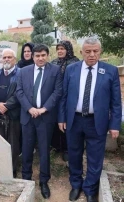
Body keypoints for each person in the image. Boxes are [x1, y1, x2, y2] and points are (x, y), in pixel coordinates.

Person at [58, 37, 121, 202]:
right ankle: (76, 185)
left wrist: (115, 125)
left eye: (95, 51)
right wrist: (61, 118)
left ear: (100, 52)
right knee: (74, 154)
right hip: (74, 120)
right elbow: (64, 97)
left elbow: (116, 102)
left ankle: (90, 188)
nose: (92, 55)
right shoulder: (71, 70)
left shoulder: (110, 71)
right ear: (81, 52)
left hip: (97, 122)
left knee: (95, 157)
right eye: (88, 51)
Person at [16, 44, 62, 199]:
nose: (40, 58)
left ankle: (44, 181)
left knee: (44, 150)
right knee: (27, 149)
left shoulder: (55, 71)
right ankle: (26, 178)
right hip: (28, 116)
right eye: (37, 56)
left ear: (47, 55)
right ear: (33, 57)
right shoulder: (23, 71)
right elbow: (19, 91)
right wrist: (30, 108)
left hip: (45, 117)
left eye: (43, 55)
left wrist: (43, 109)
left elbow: (57, 92)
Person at [0, 49, 21, 177]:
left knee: (13, 142)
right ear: (1, 59)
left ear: (14, 59)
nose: (7, 59)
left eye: (9, 57)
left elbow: (20, 92)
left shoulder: (20, 74)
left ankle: (11, 169)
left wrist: (6, 105)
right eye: (4, 57)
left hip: (13, 114)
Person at [51, 40, 80, 164]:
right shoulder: (54, 62)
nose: (60, 51)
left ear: (68, 49)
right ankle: (57, 146)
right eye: (58, 49)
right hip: (55, 98)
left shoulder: (75, 63)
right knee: (56, 123)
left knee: (67, 124)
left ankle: (67, 149)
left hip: (69, 98)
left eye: (62, 48)